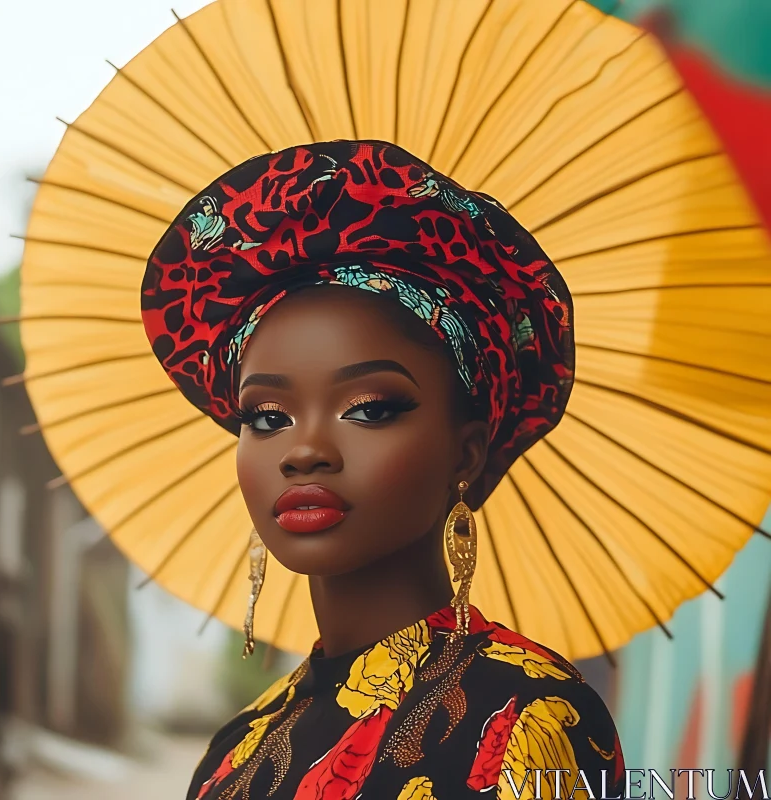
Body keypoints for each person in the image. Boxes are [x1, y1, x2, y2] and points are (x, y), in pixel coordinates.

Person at [141, 139, 626, 800]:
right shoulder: (235, 752)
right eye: (267, 416)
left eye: (368, 408)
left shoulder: (527, 717)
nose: (303, 449)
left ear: (466, 452)